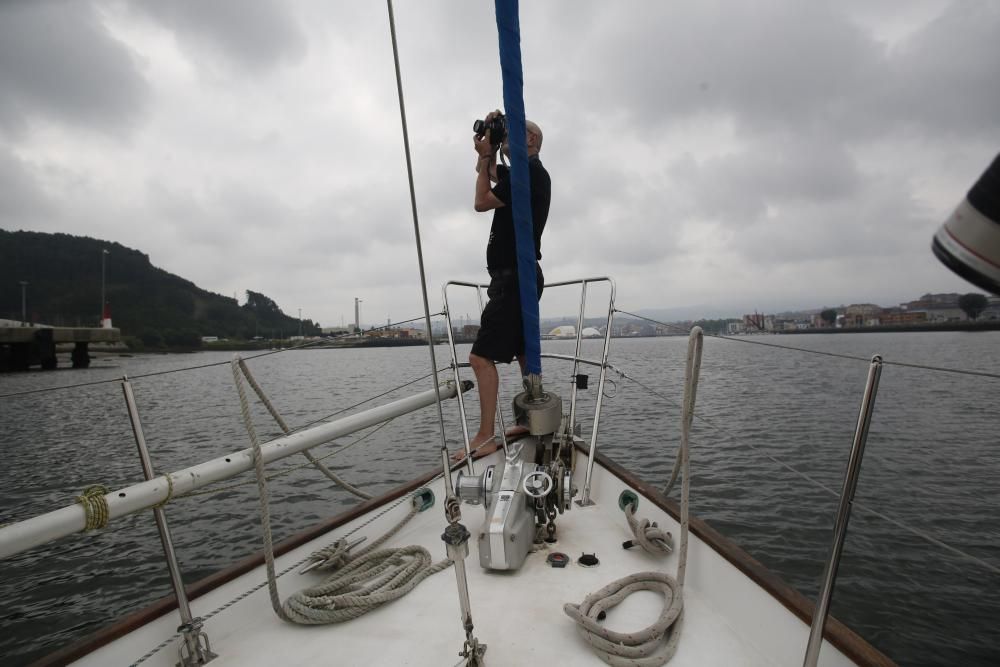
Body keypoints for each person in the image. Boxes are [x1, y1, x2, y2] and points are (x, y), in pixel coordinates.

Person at [454, 110, 550, 461]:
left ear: (530, 140)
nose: (508, 133)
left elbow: (481, 201)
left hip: (514, 278)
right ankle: (530, 420)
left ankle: (484, 436)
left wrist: (485, 158)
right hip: (521, 277)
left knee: (480, 357)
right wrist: (487, 155)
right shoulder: (528, 176)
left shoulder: (528, 175)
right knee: (524, 353)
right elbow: (492, 173)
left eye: (514, 130)